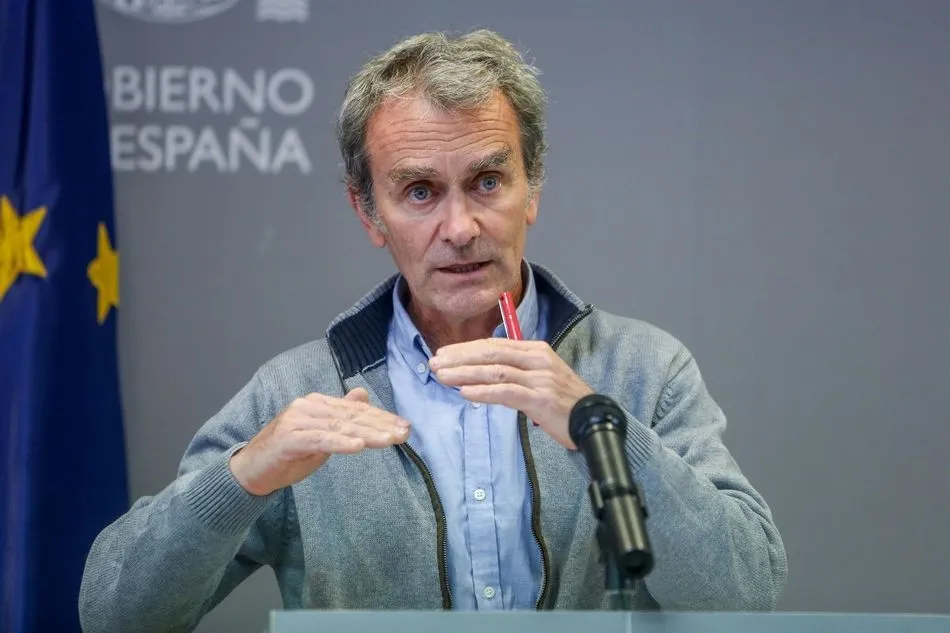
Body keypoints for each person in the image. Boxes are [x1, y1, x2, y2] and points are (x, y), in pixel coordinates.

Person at [79, 29, 787, 632]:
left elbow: (747, 594)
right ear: (369, 212)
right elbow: (113, 613)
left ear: (532, 186)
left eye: (487, 181)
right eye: (419, 191)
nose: (460, 228)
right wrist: (243, 478)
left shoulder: (640, 368)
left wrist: (599, 425)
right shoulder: (300, 392)